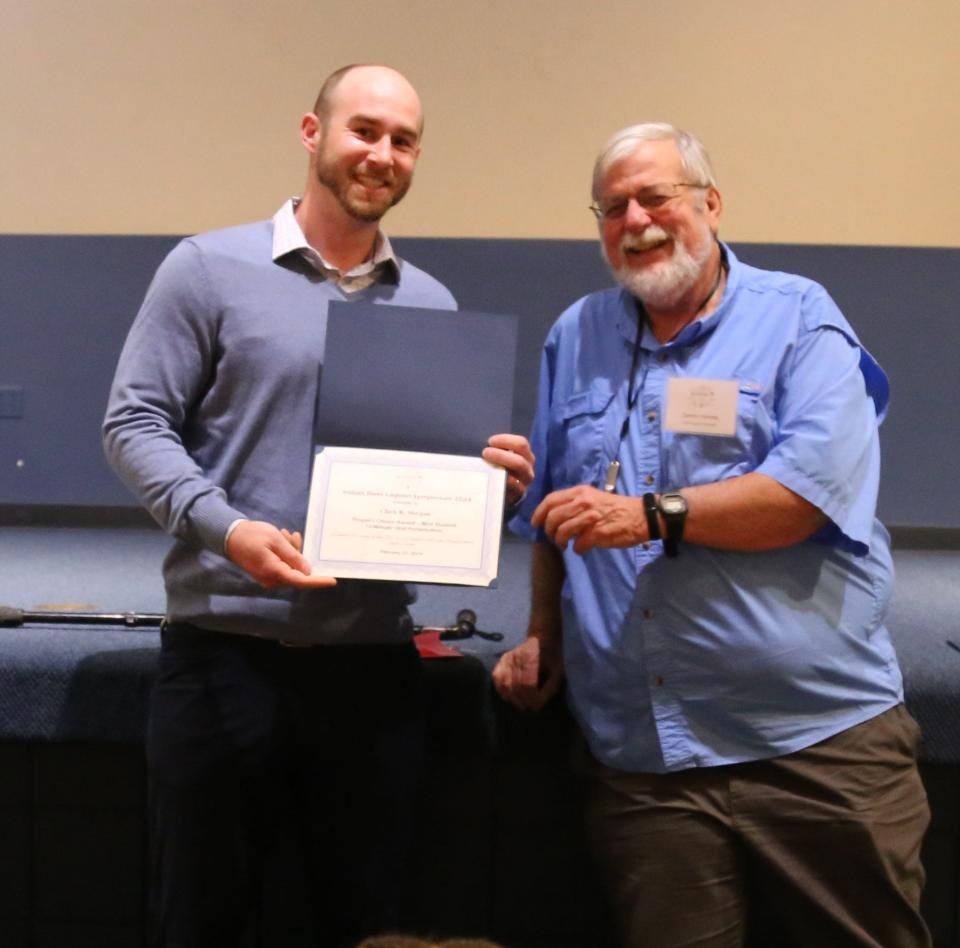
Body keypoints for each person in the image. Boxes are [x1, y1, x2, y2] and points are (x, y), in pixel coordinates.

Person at [103, 64, 534, 948]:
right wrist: (229, 528)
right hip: (224, 654)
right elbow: (133, 423)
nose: (382, 154)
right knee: (200, 921)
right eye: (364, 130)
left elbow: (429, 494)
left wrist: (489, 493)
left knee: (364, 924)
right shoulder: (207, 268)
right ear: (312, 133)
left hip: (370, 669)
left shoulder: (430, 304)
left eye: (403, 140)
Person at [492, 122, 930, 947]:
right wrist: (542, 632)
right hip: (647, 764)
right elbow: (559, 513)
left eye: (655, 196)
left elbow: (806, 496)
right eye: (612, 206)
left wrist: (649, 514)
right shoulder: (576, 335)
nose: (636, 219)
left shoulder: (799, 318)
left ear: (711, 205)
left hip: (816, 747)